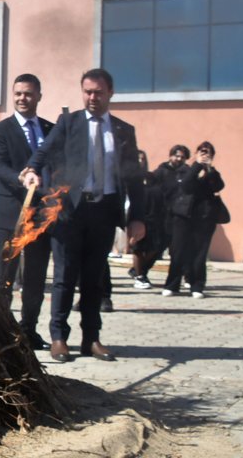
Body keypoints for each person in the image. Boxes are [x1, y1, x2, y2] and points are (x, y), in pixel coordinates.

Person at [22, 68, 145, 363]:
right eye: (87, 91)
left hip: (104, 210)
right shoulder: (69, 123)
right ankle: (58, 338)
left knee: (94, 279)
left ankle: (91, 338)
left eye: (98, 92)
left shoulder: (123, 130)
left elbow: (134, 178)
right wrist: (30, 170)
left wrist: (137, 217)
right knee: (64, 277)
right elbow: (44, 151)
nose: (92, 97)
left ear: (110, 93)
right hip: (69, 213)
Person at [0, 73, 55, 350]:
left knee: (36, 276)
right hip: (9, 214)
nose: (22, 98)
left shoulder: (51, 129)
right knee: (3, 275)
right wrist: (20, 178)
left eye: (27, 94)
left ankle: (29, 329)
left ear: (39, 95)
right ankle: (0, 331)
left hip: (41, 216)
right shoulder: (0, 129)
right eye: (17, 94)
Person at [162, 142, 225, 299]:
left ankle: (197, 286)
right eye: (202, 152)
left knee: (199, 253)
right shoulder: (185, 170)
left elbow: (217, 186)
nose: (205, 155)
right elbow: (186, 186)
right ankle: (172, 285)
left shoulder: (212, 172)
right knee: (177, 252)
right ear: (196, 153)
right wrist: (197, 164)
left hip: (204, 218)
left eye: (208, 153)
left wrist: (209, 168)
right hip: (183, 216)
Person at [127, 150, 167, 290]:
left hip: (154, 218)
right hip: (135, 216)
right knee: (138, 248)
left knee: (156, 247)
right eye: (137, 159)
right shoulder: (129, 178)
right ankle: (139, 276)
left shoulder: (152, 177)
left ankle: (139, 271)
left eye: (142, 159)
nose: (140, 161)